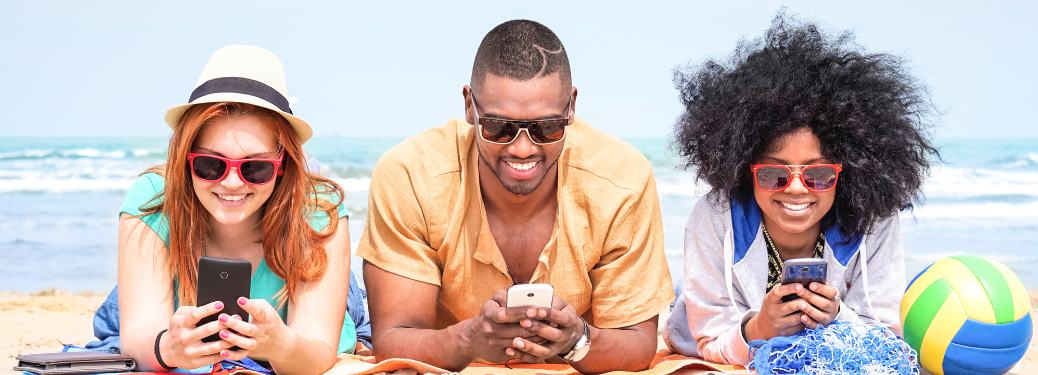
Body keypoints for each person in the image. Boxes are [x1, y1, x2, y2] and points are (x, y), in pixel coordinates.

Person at [358, 20, 673, 373]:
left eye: (546, 128)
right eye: (498, 126)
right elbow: (393, 340)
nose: (522, 148)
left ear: (570, 108)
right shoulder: (411, 176)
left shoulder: (621, 181)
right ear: (469, 107)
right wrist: (470, 339)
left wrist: (577, 341)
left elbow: (638, 345)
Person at [663, 14, 939, 365]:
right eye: (773, 174)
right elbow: (709, 341)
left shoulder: (875, 218)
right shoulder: (714, 217)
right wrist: (760, 326)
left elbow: (885, 333)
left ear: (847, 169)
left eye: (819, 173)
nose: (795, 189)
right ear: (748, 171)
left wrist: (837, 315)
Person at [96, 45, 368, 374]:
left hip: (319, 284)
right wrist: (167, 347)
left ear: (281, 165)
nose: (233, 182)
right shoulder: (153, 200)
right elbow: (140, 338)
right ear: (186, 159)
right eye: (211, 165)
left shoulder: (317, 211)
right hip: (160, 284)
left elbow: (318, 353)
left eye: (255, 167)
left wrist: (281, 344)